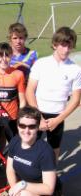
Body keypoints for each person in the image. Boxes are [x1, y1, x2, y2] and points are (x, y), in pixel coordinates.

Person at [26, 26, 81, 161]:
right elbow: (30, 91)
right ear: (54, 44)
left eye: (70, 46)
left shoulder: (76, 69)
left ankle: (50, 177)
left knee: (53, 150)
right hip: (36, 112)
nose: (66, 50)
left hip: (58, 115)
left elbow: (75, 100)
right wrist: (39, 117)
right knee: (30, 147)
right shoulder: (41, 63)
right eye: (63, 45)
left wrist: (58, 120)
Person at [6, 106, 56, 196]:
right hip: (22, 189)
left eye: (32, 126)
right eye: (22, 126)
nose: (26, 131)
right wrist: (14, 189)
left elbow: (49, 189)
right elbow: (10, 170)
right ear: (17, 126)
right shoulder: (14, 141)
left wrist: (22, 185)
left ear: (37, 127)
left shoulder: (45, 152)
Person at [0, 42, 26, 152]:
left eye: (7, 55)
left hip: (12, 118)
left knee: (16, 149)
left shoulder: (18, 74)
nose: (4, 59)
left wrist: (21, 118)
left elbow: (22, 100)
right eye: (0, 55)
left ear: (11, 56)